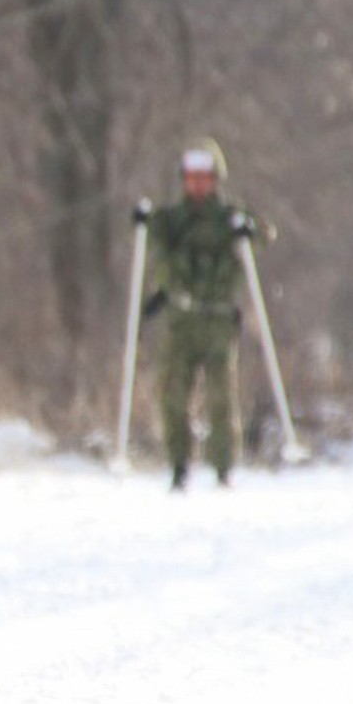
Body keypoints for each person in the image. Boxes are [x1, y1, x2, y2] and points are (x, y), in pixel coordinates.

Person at [137, 140, 264, 490]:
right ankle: (179, 466)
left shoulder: (229, 217)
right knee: (173, 394)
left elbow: (263, 236)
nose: (197, 184)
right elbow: (154, 239)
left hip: (218, 320)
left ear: (215, 179)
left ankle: (223, 467)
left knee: (221, 395)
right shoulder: (172, 219)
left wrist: (249, 230)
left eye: (204, 177)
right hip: (181, 321)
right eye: (191, 177)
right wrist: (144, 221)